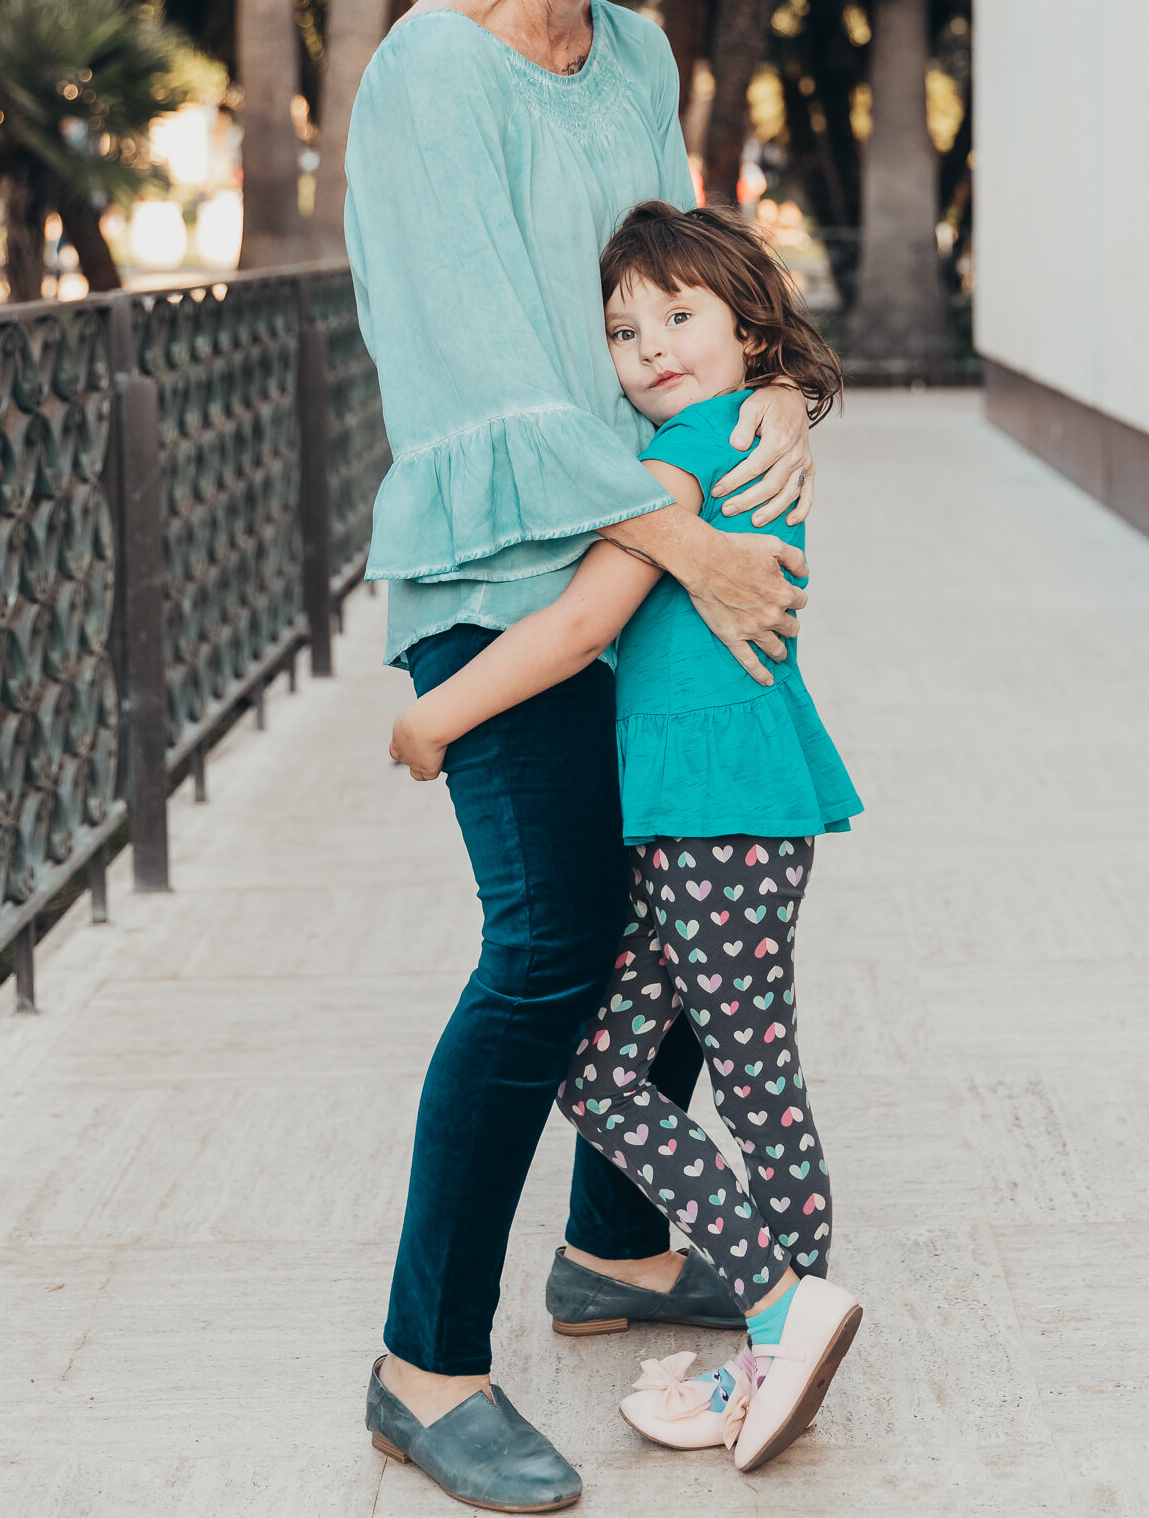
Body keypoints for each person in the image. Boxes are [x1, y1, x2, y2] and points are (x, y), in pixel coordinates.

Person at [346, 0, 820, 1512]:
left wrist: (768, 382)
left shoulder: (632, 56)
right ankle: (421, 1360)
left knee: (690, 895)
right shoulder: (424, 74)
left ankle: (616, 1252)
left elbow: (681, 280)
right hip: (510, 574)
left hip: (652, 547)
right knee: (548, 949)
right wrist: (678, 532)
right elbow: (491, 379)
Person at [392, 199, 864, 1477]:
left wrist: (435, 714)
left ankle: (779, 1312)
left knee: (746, 1076)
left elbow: (574, 627)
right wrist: (772, 392)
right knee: (620, 1064)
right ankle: (782, 1306)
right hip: (708, 821)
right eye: (622, 328)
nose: (649, 344)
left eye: (678, 314)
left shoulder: (669, 471)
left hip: (719, 821)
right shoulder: (738, 433)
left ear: (748, 326)